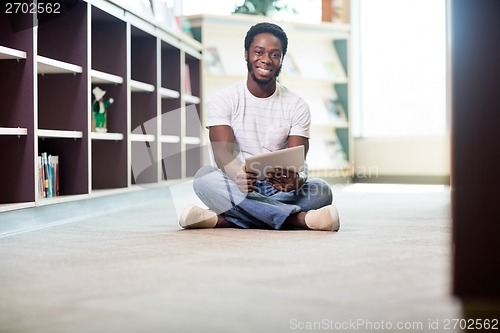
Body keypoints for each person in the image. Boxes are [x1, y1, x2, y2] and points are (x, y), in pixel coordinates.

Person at [179, 22, 340, 231]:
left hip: (280, 189)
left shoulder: (297, 105)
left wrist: (296, 180)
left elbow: (298, 161)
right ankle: (298, 219)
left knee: (322, 190)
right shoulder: (224, 99)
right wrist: (239, 176)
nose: (266, 59)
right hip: (238, 186)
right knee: (204, 178)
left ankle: (222, 220)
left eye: (274, 54)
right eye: (259, 52)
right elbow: (223, 156)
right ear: (246, 54)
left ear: (282, 59)